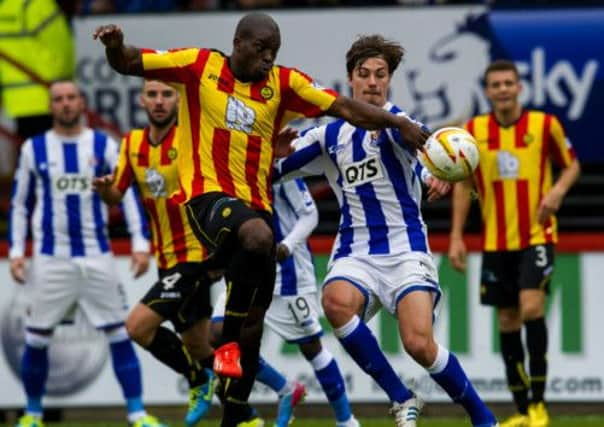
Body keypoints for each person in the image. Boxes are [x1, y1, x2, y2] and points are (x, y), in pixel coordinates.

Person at [93, 14, 429, 427]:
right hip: (208, 200)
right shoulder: (199, 66)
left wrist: (397, 122)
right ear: (238, 42)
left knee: (254, 327)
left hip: (257, 209)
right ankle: (228, 345)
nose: (269, 59)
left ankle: (235, 414)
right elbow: (130, 61)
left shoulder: (284, 85)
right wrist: (114, 45)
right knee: (255, 237)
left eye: (275, 51)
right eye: (261, 49)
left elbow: (342, 107)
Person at [273, 34, 499, 427]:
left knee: (419, 344)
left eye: (381, 75)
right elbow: (274, 171)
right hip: (355, 253)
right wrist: (271, 153)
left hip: (406, 251)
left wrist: (440, 177)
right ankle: (401, 397)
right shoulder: (329, 136)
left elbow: (432, 160)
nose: (373, 82)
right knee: (335, 303)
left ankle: (484, 419)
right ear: (351, 80)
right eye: (365, 75)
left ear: (389, 81)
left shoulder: (403, 127)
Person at [8, 80, 165, 427]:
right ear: (51, 107)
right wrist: (17, 251)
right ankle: (33, 413)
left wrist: (141, 243)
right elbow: (19, 204)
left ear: (82, 102)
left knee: (119, 333)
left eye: (71, 98)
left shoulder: (103, 145)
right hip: (51, 258)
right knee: (36, 336)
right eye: (58, 99)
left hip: (98, 255)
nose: (65, 104)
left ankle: (137, 414)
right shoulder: (35, 148)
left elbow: (127, 193)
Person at [448, 59, 581, 427]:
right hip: (495, 240)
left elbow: (572, 165)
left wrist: (556, 191)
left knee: (531, 307)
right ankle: (523, 409)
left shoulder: (544, 125)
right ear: (488, 91)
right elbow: (463, 185)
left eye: (509, 83)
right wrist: (457, 236)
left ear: (519, 87)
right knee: (507, 320)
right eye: (496, 84)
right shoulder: (472, 132)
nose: (503, 89)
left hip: (537, 235)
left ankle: (540, 404)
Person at [93, 79, 218, 427]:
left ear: (177, 100)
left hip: (195, 257)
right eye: (153, 94)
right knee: (199, 348)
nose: (159, 101)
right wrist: (104, 190)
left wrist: (218, 251)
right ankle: (255, 408)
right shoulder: (132, 143)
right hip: (166, 260)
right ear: (142, 100)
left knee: (137, 327)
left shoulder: (191, 140)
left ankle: (198, 381)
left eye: (166, 94)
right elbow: (116, 195)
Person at [210, 178, 359, 427]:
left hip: (286, 273)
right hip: (244, 267)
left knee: (311, 347)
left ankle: (346, 421)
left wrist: (287, 246)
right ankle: (284, 388)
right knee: (218, 335)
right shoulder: (229, 165)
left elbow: (309, 214)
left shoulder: (278, 167)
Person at [0, 0, 75, 140]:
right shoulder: (39, 4)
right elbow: (62, 56)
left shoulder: (4, 7)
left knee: (29, 156)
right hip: (46, 97)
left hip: (15, 102)